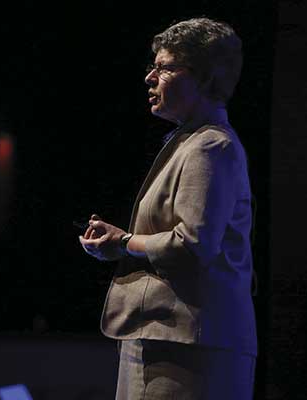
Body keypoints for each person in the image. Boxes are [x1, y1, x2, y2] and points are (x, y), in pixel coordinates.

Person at [78, 17, 257, 399]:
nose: (150, 77)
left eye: (165, 67)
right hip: (170, 339)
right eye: (153, 66)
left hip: (189, 347)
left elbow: (192, 245)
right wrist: (121, 244)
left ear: (206, 77)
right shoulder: (190, 142)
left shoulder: (211, 147)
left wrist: (125, 241)